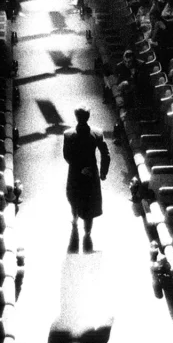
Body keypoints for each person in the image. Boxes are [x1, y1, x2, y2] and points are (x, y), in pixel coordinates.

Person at [62, 107, 110, 252]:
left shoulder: (68, 134)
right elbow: (105, 153)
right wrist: (103, 172)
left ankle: (75, 219)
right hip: (91, 173)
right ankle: (87, 232)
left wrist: (78, 168)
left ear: (76, 117)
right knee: (90, 201)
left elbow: (67, 156)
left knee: (73, 197)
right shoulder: (97, 133)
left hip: (75, 173)